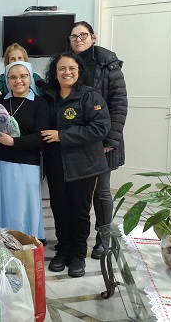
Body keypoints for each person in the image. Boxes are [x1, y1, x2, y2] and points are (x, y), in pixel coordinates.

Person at [41, 51, 111, 278]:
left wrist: (62, 135)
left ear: (79, 71)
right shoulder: (48, 96)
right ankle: (63, 250)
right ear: (55, 73)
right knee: (59, 210)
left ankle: (78, 255)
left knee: (80, 213)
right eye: (61, 68)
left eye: (72, 68)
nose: (67, 72)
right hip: (55, 165)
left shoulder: (89, 96)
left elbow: (100, 128)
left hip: (84, 166)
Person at [68, 21, 128, 259]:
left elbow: (119, 104)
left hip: (103, 141)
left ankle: (104, 239)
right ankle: (75, 238)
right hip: (77, 139)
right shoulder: (67, 63)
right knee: (77, 193)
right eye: (74, 36)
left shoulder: (108, 64)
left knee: (101, 192)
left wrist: (110, 140)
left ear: (93, 37)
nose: (79, 40)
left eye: (83, 35)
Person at [0, 61, 49, 238]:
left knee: (19, 210)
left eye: (23, 76)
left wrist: (14, 143)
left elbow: (40, 137)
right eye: (13, 77)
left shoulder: (40, 104)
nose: (18, 81)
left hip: (25, 166)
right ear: (7, 80)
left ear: (30, 78)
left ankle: (22, 244)